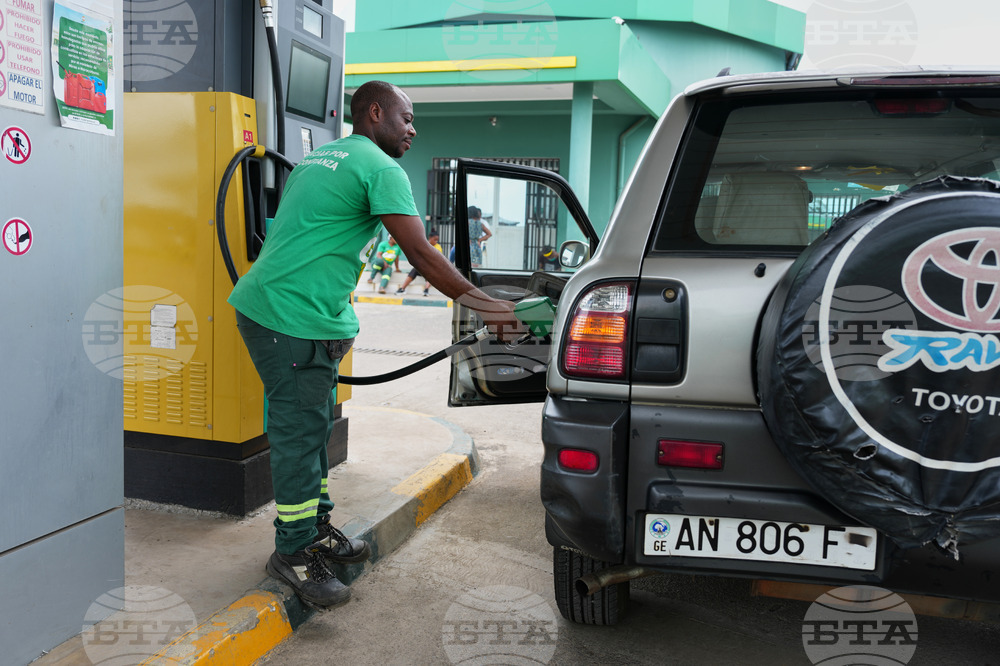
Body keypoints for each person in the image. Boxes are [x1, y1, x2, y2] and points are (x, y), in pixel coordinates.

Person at [227, 80, 524, 609]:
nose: (412, 130)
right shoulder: (381, 167)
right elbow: (422, 256)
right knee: (298, 433)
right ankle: (293, 552)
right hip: (290, 318)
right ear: (374, 112)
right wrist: (489, 306)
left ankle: (313, 529)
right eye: (406, 119)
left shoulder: (323, 157)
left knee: (313, 424)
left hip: (281, 310)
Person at [395, 229, 442, 296]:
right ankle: (402, 289)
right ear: (430, 238)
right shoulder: (424, 245)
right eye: (435, 239)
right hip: (422, 266)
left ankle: (426, 290)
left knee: (431, 272)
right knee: (414, 270)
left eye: (437, 240)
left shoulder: (438, 247)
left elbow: (436, 259)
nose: (436, 241)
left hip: (431, 267)